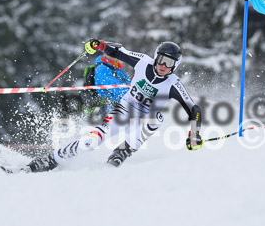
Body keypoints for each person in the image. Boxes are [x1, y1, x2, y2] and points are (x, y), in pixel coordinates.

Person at [23, 40, 203, 172]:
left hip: (146, 118)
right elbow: (119, 52)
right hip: (124, 109)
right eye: (161, 59)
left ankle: (120, 155)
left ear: (175, 66)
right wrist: (100, 45)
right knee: (89, 142)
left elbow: (193, 109)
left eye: (169, 63)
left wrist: (194, 134)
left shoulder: (173, 84)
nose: (163, 66)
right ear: (156, 57)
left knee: (155, 119)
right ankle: (48, 160)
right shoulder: (143, 62)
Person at [81, 53, 131, 119]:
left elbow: (129, 84)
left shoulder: (117, 68)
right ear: (104, 53)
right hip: (110, 106)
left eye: (116, 51)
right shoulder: (102, 68)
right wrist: (133, 95)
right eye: (110, 51)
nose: (114, 53)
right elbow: (116, 88)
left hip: (121, 104)